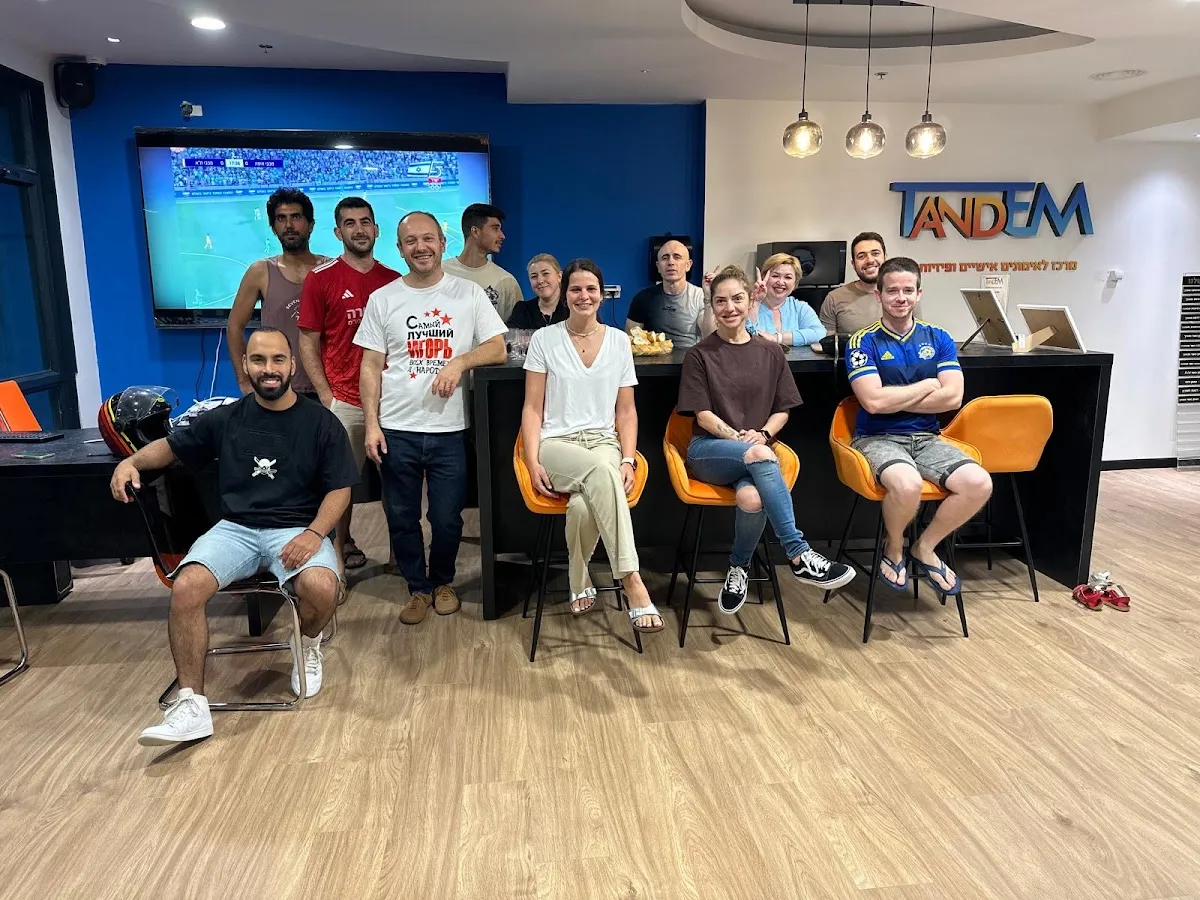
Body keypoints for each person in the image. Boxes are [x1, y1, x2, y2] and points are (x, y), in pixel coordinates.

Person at [110, 327, 359, 746]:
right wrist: (130, 462)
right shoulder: (226, 418)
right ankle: (191, 705)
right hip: (237, 529)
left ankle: (308, 642)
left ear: (292, 366)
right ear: (245, 365)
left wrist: (315, 533)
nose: (268, 369)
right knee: (186, 587)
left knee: (322, 587)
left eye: (277, 360)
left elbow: (340, 489)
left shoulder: (321, 422)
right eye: (258, 360)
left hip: (298, 527)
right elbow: (171, 447)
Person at [356, 211, 508, 625]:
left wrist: (459, 362)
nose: (420, 247)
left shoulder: (468, 294)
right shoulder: (383, 298)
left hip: (449, 430)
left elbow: (497, 348)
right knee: (401, 517)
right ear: (400, 248)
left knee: (446, 518)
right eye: (411, 241)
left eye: (428, 239)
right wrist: (371, 423)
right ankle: (417, 588)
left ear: (442, 243)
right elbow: (370, 366)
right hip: (397, 427)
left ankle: (442, 581)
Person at [678, 266, 855, 614]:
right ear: (712, 306)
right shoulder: (699, 354)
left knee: (752, 499)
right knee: (759, 455)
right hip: (709, 451)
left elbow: (783, 410)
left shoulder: (771, 352)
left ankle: (738, 567)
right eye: (720, 301)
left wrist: (762, 434)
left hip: (758, 452)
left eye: (737, 299)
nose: (729, 307)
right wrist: (744, 441)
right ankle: (798, 553)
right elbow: (703, 416)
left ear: (750, 302)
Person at [520, 259, 664, 633]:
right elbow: (532, 408)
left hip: (603, 442)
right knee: (602, 473)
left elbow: (626, 411)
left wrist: (628, 459)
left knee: (584, 505)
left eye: (591, 289)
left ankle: (578, 574)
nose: (584, 296)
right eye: (576, 289)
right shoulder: (544, 340)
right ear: (564, 294)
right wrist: (532, 461)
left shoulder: (619, 341)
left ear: (601, 294)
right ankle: (632, 579)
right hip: (557, 444)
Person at [846, 257, 993, 597]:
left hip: (927, 437)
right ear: (878, 295)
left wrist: (894, 397)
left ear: (918, 293)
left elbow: (952, 398)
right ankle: (894, 545)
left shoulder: (939, 337)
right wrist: (927, 386)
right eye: (892, 291)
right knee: (908, 484)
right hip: (877, 437)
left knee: (979, 484)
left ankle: (924, 546)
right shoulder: (862, 341)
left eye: (908, 290)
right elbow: (873, 403)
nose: (901, 298)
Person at [298, 197, 400, 574]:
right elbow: (308, 341)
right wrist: (327, 395)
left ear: (376, 229)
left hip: (392, 402)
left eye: (365, 222)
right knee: (339, 489)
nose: (359, 229)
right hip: (345, 400)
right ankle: (336, 563)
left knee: (397, 485)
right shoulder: (320, 279)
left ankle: (399, 558)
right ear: (338, 232)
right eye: (350, 223)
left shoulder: (394, 281)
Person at [228, 188, 330, 397]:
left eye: (296, 217)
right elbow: (234, 326)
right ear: (273, 228)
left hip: (328, 389)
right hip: (278, 389)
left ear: (311, 225)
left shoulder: (331, 270)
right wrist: (244, 381)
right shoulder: (260, 272)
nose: (289, 225)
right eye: (281, 219)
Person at [820, 231, 922, 337]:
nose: (869, 260)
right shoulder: (834, 298)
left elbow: (917, 336)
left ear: (885, 257)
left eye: (875, 253)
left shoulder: (905, 295)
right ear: (853, 264)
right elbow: (825, 343)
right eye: (861, 256)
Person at [442, 202, 523, 322]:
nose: (502, 236)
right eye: (495, 229)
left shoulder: (507, 282)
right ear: (475, 232)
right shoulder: (440, 273)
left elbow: (516, 330)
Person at [625, 239, 708, 349]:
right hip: (653, 358)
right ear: (658, 267)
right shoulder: (642, 298)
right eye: (665, 258)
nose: (671, 262)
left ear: (688, 265)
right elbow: (630, 341)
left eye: (677, 257)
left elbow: (709, 336)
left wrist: (709, 298)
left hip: (690, 357)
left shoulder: (701, 297)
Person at [753, 252, 825, 349]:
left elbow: (819, 333)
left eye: (788, 277)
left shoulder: (800, 307)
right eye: (775, 276)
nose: (781, 282)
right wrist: (755, 302)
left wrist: (777, 338)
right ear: (763, 277)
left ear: (795, 283)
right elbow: (746, 336)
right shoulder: (748, 306)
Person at [507, 253, 567, 330]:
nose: (540, 281)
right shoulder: (522, 309)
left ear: (559, 276)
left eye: (545, 274)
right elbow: (511, 335)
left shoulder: (572, 308)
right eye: (534, 276)